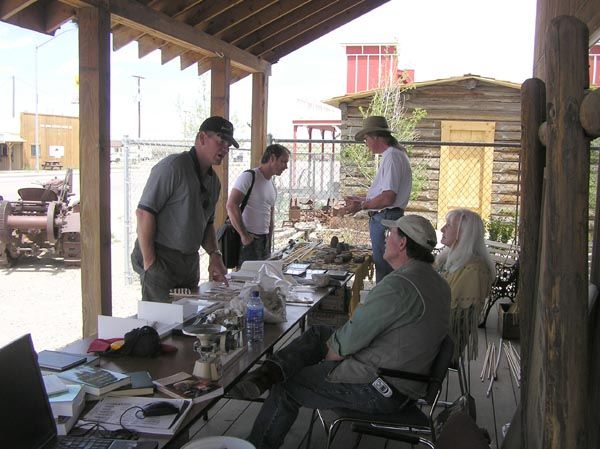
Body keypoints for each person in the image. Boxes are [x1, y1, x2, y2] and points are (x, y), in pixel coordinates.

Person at [231, 215, 451, 449]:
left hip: (381, 387)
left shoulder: (399, 286)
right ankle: (268, 372)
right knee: (318, 333)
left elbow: (346, 344)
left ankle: (257, 443)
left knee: (289, 384)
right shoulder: (436, 282)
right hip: (404, 375)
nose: (385, 239)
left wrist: (329, 359)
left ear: (403, 243)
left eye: (390, 235)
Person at [131, 116, 235, 302]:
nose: (225, 148)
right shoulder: (173, 167)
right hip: (161, 258)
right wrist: (150, 262)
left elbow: (207, 223)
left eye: (228, 144)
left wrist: (215, 254)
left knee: (186, 321)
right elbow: (144, 213)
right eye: (221, 141)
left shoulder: (214, 183)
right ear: (202, 138)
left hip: (189, 262)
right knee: (161, 321)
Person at [345, 116, 412, 283]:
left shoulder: (392, 156)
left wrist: (362, 205)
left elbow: (388, 197)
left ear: (375, 136)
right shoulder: (395, 154)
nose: (366, 143)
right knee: (386, 267)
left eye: (366, 138)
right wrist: (364, 199)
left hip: (386, 217)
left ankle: (384, 305)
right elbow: (385, 193)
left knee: (385, 269)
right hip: (388, 216)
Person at [435, 208, 495, 362]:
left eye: (448, 225)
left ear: (463, 233)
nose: (442, 229)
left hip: (440, 343)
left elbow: (452, 321)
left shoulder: (474, 270)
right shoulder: (448, 258)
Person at [226, 144, 290, 266]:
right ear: (272, 158)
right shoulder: (249, 177)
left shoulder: (272, 185)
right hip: (249, 239)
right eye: (283, 162)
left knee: (263, 278)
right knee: (246, 279)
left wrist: (269, 241)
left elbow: (270, 216)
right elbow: (231, 205)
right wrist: (244, 236)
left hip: (264, 240)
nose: (286, 167)